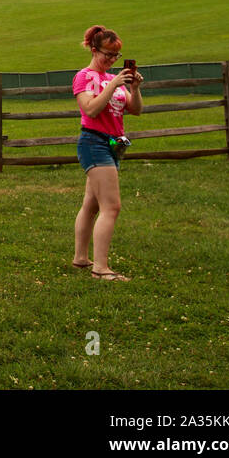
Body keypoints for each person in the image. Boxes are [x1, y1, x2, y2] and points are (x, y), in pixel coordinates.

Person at [72, 25, 142, 281]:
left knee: (91, 204)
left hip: (113, 144)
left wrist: (134, 88)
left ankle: (81, 259)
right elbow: (90, 109)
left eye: (116, 55)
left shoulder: (114, 79)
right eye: (108, 54)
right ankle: (101, 268)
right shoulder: (84, 76)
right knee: (111, 207)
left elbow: (134, 110)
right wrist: (111, 85)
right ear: (94, 50)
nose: (113, 60)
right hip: (94, 142)